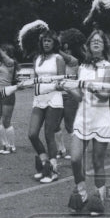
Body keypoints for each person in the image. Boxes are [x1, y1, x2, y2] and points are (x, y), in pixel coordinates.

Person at [64, 29, 110, 215]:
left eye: (99, 41)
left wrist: (95, 90)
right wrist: (69, 88)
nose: (95, 43)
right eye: (93, 41)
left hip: (100, 118)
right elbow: (80, 97)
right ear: (88, 45)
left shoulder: (108, 67)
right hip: (83, 116)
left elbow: (104, 97)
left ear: (104, 46)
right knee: (76, 159)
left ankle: (100, 194)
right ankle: (81, 193)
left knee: (97, 161)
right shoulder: (82, 68)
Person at [28, 26, 66, 183]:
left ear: (54, 43)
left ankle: (53, 170)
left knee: (49, 133)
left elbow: (62, 82)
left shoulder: (58, 58)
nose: (46, 43)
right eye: (44, 41)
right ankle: (45, 162)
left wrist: (54, 85)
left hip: (54, 99)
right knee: (32, 134)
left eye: (49, 41)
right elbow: (35, 78)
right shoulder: (37, 59)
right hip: (39, 99)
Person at [0, 39, 20, 155]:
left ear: (8, 53)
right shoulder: (1, 64)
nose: (1, 53)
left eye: (4, 51)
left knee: (6, 121)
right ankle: (5, 144)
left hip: (8, 92)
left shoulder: (10, 63)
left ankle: (11, 146)